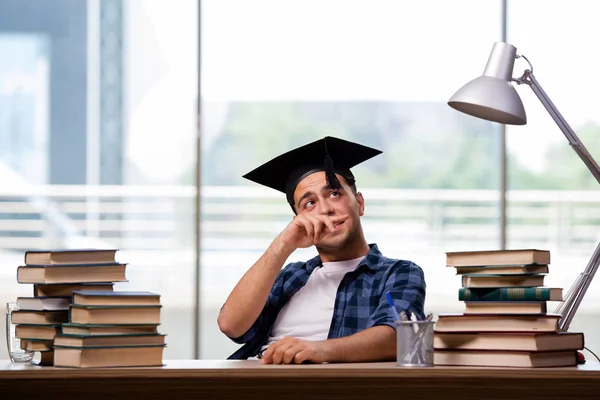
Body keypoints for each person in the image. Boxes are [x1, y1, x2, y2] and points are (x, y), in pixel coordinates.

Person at [217, 136, 426, 364]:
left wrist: (317, 350)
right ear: (299, 219)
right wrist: (283, 244)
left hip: (324, 388)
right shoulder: (290, 276)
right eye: (309, 203)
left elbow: (398, 337)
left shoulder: (398, 273)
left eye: (334, 193)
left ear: (360, 204)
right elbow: (231, 326)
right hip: (252, 384)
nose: (325, 209)